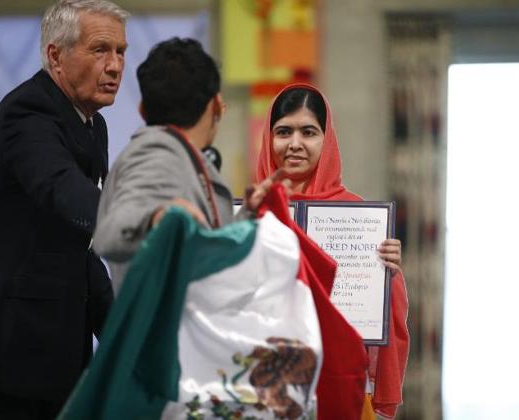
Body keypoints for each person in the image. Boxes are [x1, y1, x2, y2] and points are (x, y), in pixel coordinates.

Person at [0, 0, 128, 417]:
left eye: (121, 52)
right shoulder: (28, 112)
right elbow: (61, 188)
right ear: (55, 55)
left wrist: (119, 332)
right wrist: (142, 225)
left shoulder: (93, 123)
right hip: (9, 360)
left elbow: (80, 245)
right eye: (100, 50)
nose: (115, 66)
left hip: (61, 355)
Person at [255, 83, 409, 419]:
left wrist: (387, 277)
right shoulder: (249, 216)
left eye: (308, 132)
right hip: (262, 389)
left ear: (326, 140)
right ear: (269, 139)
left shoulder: (361, 219)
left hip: (341, 392)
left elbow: (380, 326)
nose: (295, 144)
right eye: (283, 132)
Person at [92, 37, 283, 292]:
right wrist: (154, 219)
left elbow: (202, 251)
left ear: (142, 110)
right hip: (169, 331)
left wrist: (246, 213)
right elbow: (109, 236)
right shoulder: (156, 156)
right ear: (216, 105)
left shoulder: (182, 155)